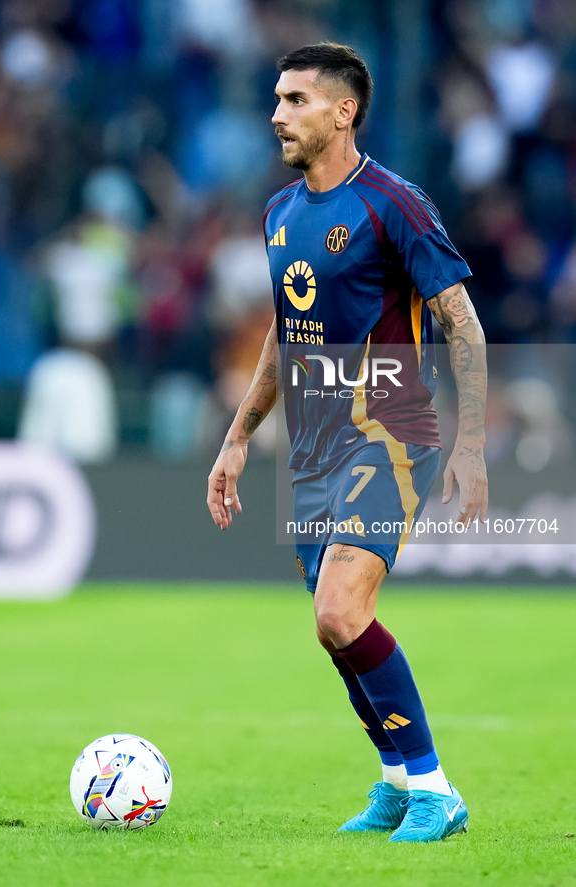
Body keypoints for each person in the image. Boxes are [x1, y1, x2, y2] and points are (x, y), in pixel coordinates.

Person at [207, 43, 488, 843]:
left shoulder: (392, 203)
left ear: (343, 112)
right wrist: (236, 439)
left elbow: (459, 320)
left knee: (339, 608)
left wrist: (467, 446)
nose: (275, 114)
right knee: (333, 626)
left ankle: (437, 790)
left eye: (294, 99)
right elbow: (282, 336)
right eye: (275, 98)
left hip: (390, 429)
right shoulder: (278, 214)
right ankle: (397, 781)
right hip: (313, 446)